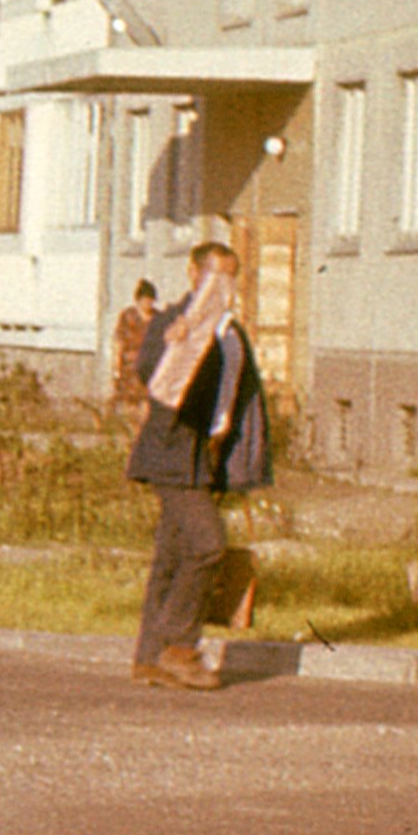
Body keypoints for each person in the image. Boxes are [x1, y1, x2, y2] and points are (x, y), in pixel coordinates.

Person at [126, 241, 270, 693]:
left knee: (172, 556)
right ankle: (180, 648)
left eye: (232, 277)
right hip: (169, 455)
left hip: (199, 462)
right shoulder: (173, 321)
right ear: (193, 274)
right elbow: (149, 370)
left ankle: (150, 658)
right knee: (208, 545)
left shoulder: (228, 329)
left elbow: (238, 401)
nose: (223, 286)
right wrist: (174, 346)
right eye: (215, 276)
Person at [109, 279, 161, 431]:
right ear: (138, 300)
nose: (148, 303)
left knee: (148, 407)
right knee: (130, 407)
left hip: (150, 370)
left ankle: (143, 435)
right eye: (145, 300)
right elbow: (118, 342)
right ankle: (133, 436)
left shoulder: (158, 318)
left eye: (151, 300)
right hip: (130, 369)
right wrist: (116, 368)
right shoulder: (128, 317)